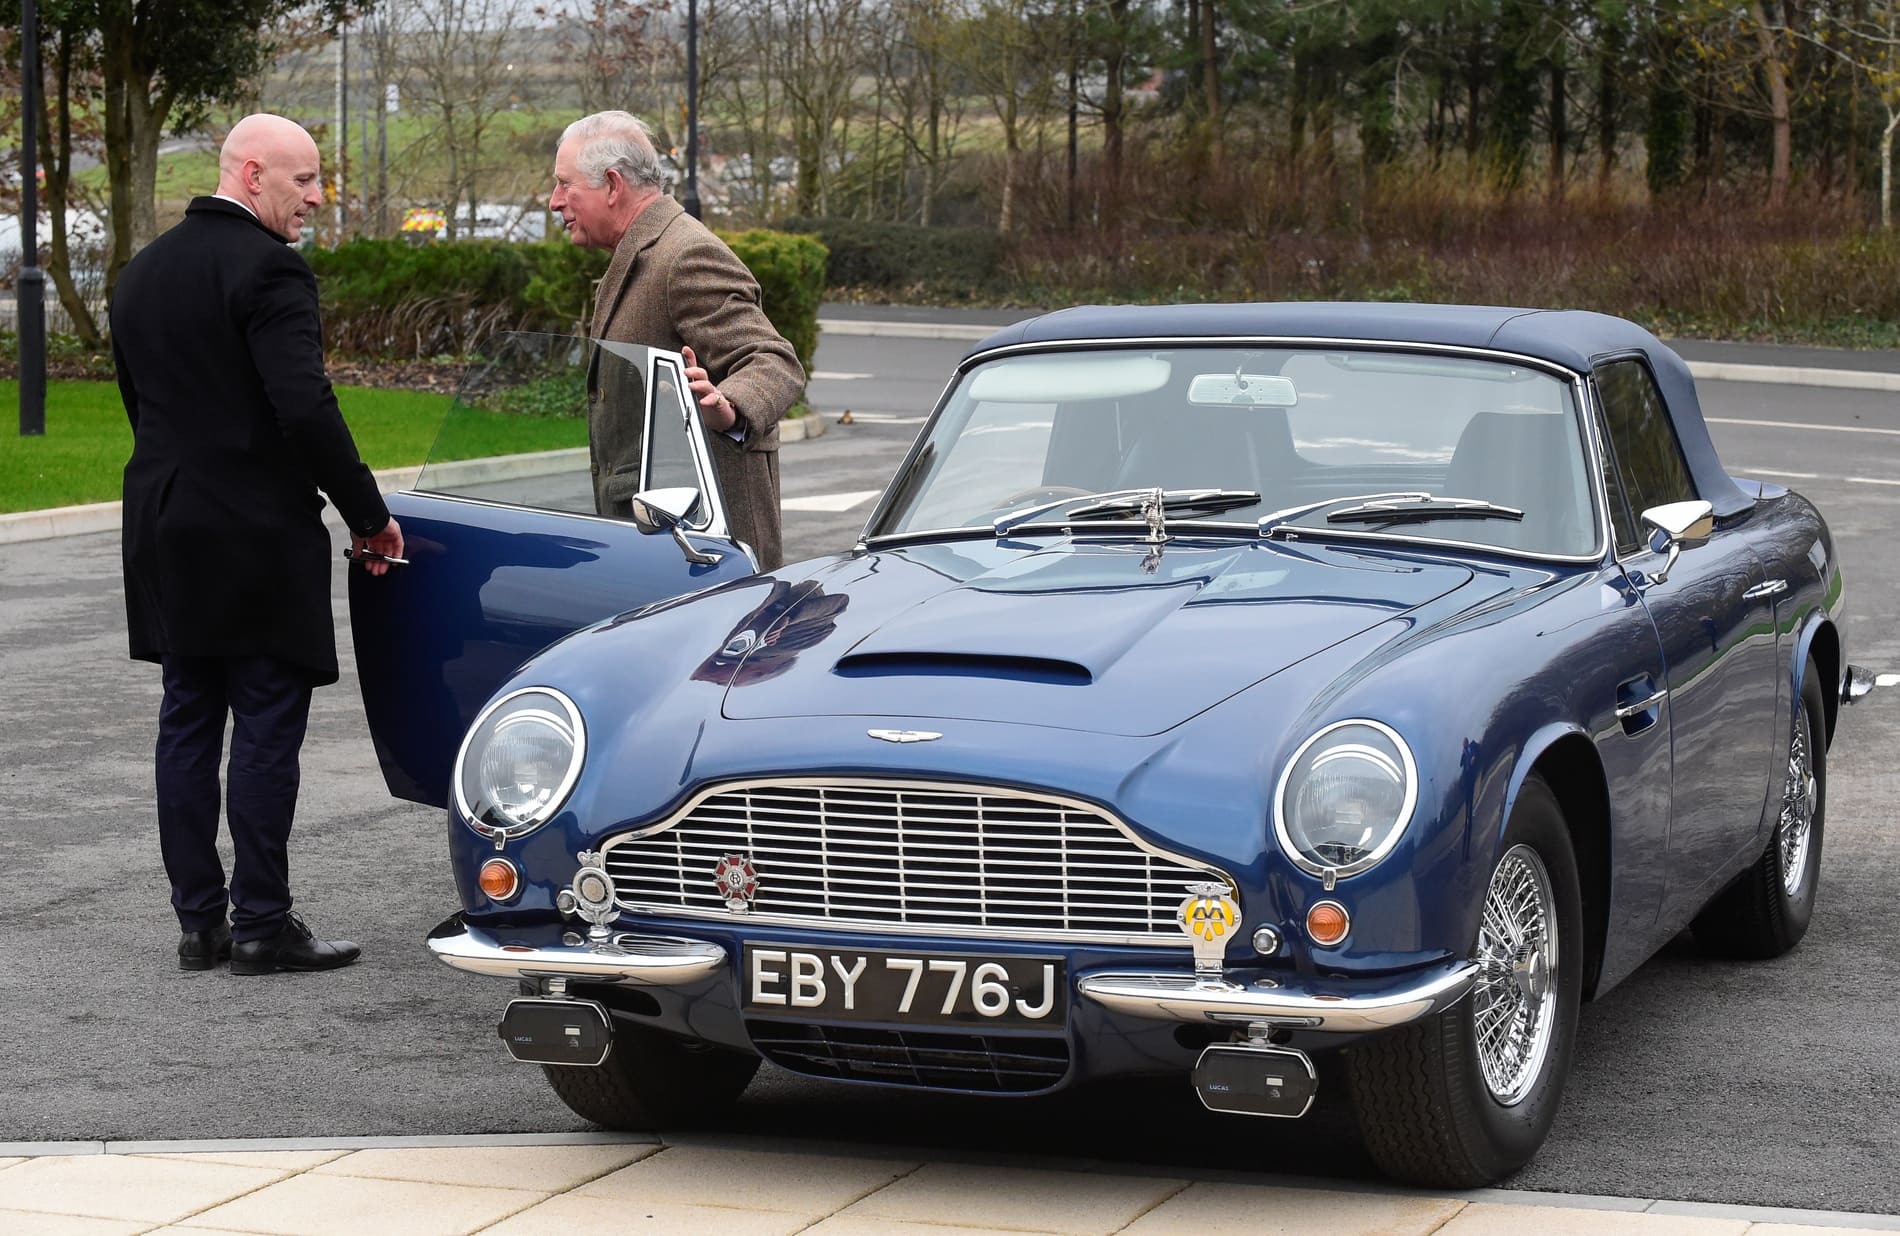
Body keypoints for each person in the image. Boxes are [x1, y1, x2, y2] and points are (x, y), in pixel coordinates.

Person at [111, 113, 405, 976]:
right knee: (268, 721)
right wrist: (367, 514)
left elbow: (144, 408)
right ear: (250, 175)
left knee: (188, 718)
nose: (317, 197)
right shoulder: (272, 267)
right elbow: (304, 406)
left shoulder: (141, 273)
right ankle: (262, 924)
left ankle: (199, 924)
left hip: (164, 523)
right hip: (253, 533)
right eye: (304, 179)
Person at [549, 110, 805, 570]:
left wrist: (728, 406)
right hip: (669, 550)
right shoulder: (648, 250)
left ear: (611, 185)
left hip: (708, 559)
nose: (553, 201)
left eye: (565, 184)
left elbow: (774, 360)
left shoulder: (685, 255)